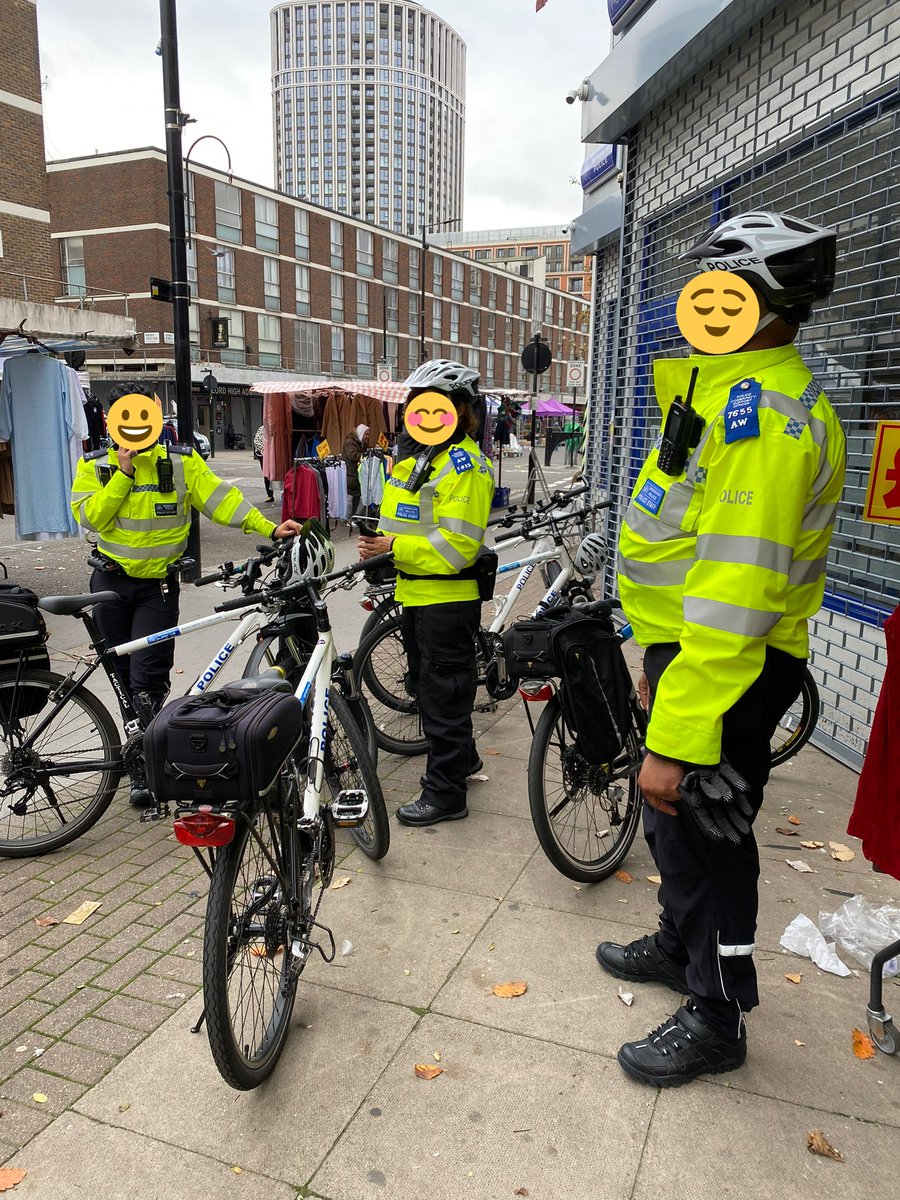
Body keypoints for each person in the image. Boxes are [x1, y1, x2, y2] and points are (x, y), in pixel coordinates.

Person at [596, 211, 846, 1086]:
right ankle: (679, 944)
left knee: (709, 833)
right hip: (690, 653)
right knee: (675, 829)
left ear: (761, 299)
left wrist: (677, 733)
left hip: (726, 664)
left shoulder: (763, 418)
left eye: (721, 287)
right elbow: (676, 533)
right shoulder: (719, 392)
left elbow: (736, 593)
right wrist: (653, 652)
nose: (700, 303)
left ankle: (717, 1013)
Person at [71, 386, 302, 805]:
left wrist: (269, 527)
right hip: (109, 584)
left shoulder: (180, 462)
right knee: (122, 678)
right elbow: (90, 518)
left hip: (156, 588)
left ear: (156, 413)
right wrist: (123, 474)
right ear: (111, 418)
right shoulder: (95, 464)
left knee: (147, 679)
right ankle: (141, 758)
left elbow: (223, 501)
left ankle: (147, 762)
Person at [357, 360, 495, 826]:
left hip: (445, 600)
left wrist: (393, 547)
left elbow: (457, 547)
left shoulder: (464, 467)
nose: (422, 414)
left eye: (433, 406)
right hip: (416, 595)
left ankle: (445, 794)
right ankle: (464, 759)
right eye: (417, 406)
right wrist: (378, 544)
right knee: (429, 689)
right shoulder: (423, 458)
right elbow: (406, 519)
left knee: (443, 699)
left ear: (460, 410)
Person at [343, 423, 368, 517]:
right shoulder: (349, 442)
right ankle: (348, 518)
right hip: (350, 474)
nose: (367, 436)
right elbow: (353, 455)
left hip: (356, 474)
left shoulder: (360, 443)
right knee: (349, 499)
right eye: (366, 434)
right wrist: (365, 455)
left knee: (357, 498)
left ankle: (354, 517)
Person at [253, 424, 274, 503]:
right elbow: (257, 442)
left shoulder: (275, 428)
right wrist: (264, 451)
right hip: (264, 454)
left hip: (271, 453)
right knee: (267, 474)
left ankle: (271, 494)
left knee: (270, 473)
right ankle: (270, 494)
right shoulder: (262, 429)